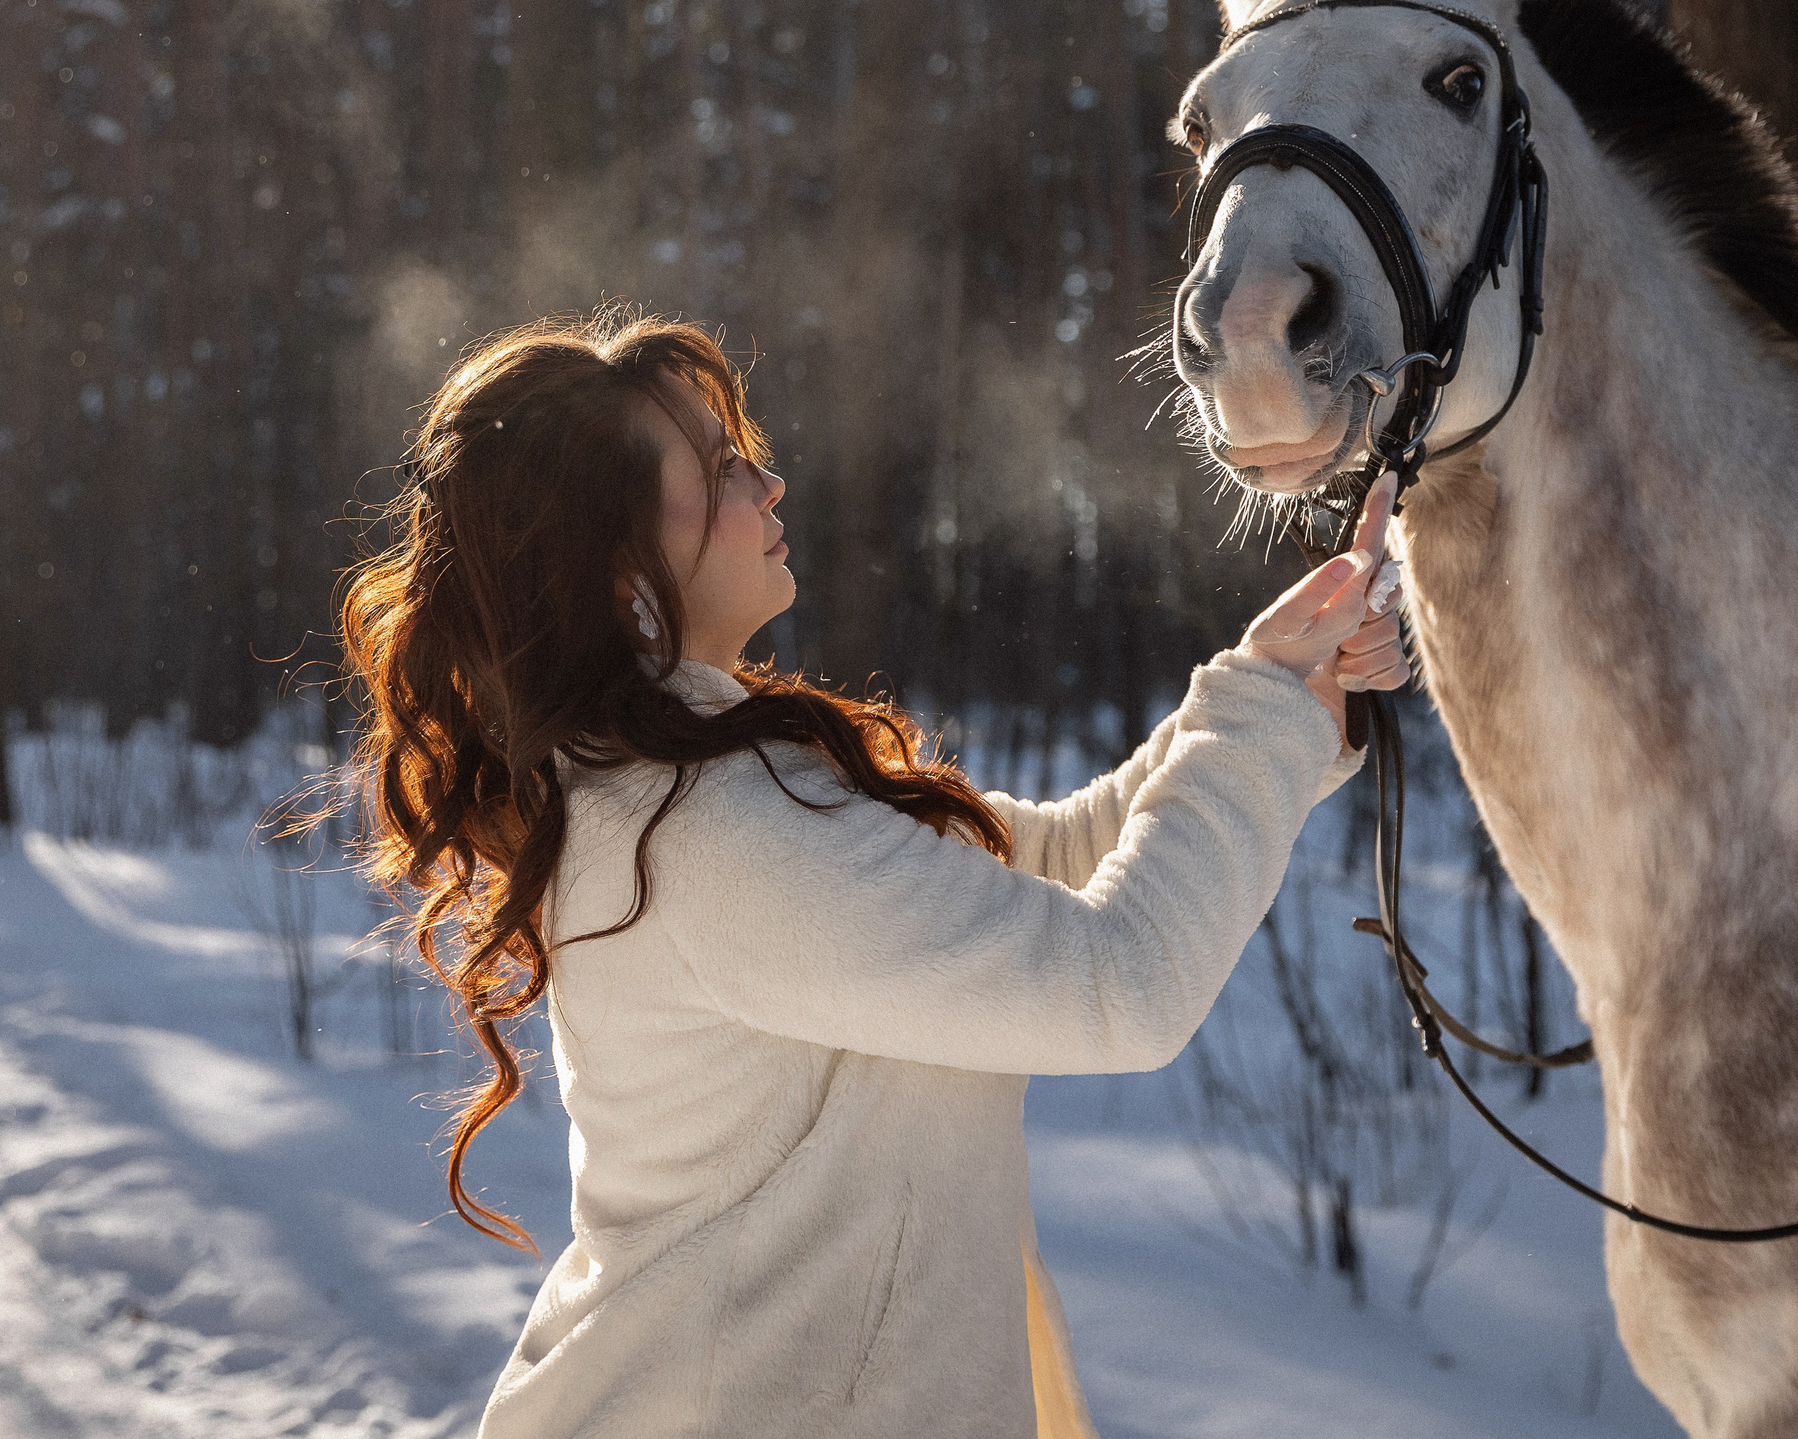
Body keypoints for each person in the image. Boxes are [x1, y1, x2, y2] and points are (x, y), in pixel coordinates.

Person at [339, 312, 1407, 1439]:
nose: (772, 480)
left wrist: (1267, 685)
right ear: (617, 570)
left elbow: (1034, 865)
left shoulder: (699, 780)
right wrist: (1260, 716)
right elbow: (1118, 983)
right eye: (720, 469)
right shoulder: (713, 829)